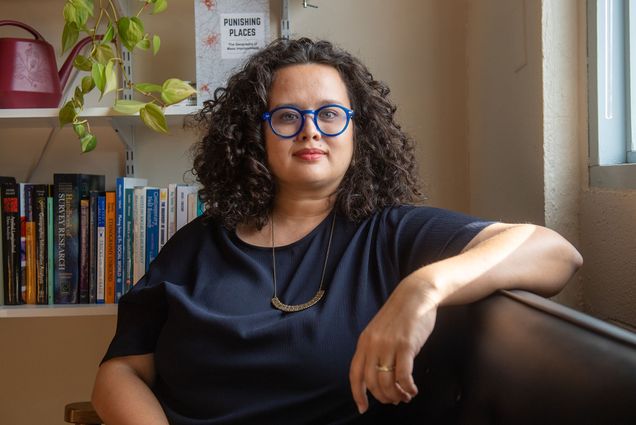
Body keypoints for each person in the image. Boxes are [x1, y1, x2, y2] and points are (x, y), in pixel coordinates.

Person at [91, 38, 582, 425]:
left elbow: (554, 252)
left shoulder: (392, 235)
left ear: (357, 132)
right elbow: (121, 371)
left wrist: (423, 288)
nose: (311, 131)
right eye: (287, 117)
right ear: (254, 136)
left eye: (330, 114)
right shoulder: (197, 244)